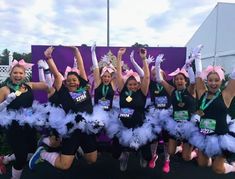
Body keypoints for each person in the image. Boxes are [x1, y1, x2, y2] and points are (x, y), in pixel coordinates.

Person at [29, 46, 97, 171]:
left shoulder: (84, 88)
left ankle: (77, 150)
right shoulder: (63, 93)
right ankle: (43, 154)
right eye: (69, 80)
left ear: (79, 81)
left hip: (86, 129)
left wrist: (75, 51)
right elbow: (56, 74)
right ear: (65, 83)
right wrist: (48, 58)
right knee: (64, 166)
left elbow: (81, 67)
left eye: (74, 80)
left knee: (92, 159)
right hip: (71, 131)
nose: (72, 82)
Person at [0, 59, 48, 179]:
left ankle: (6, 158)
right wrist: (6, 102)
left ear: (24, 74)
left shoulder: (29, 85)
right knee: (21, 157)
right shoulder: (4, 90)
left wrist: (43, 69)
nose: (18, 75)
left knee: (30, 151)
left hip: (29, 124)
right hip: (14, 127)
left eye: (21, 73)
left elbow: (45, 85)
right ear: (10, 73)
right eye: (15, 73)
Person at [193, 50, 235, 174]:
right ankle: (211, 158)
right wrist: (197, 58)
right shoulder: (202, 92)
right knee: (203, 163)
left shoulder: (226, 95)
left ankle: (232, 167)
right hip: (204, 135)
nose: (213, 83)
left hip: (220, 137)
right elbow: (198, 75)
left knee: (217, 169)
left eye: (216, 80)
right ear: (207, 81)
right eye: (210, 80)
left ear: (221, 81)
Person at [112, 47, 152, 171]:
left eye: (135, 84)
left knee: (148, 157)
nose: (133, 86)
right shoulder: (123, 90)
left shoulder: (142, 92)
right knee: (115, 154)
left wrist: (144, 58)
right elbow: (118, 74)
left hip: (139, 127)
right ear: (126, 85)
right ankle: (124, 156)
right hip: (123, 126)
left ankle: (141, 153)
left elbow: (146, 77)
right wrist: (119, 56)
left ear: (138, 85)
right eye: (130, 84)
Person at [155, 53, 198, 164]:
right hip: (175, 125)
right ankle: (179, 147)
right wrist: (157, 65)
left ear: (185, 81)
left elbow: (193, 81)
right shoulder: (172, 90)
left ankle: (195, 152)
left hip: (189, 126)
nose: (179, 81)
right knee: (171, 152)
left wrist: (189, 68)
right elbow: (160, 80)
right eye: (177, 79)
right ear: (174, 81)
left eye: (181, 79)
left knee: (186, 157)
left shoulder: (190, 90)